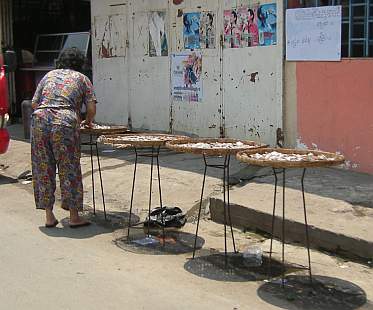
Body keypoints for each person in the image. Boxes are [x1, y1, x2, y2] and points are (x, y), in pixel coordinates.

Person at [31, 47, 96, 228]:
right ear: (79, 63)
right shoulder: (83, 79)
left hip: (40, 120)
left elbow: (35, 102)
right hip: (65, 122)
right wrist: (87, 121)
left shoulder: (48, 76)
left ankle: (49, 216)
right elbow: (91, 108)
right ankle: (74, 217)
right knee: (69, 167)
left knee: (43, 167)